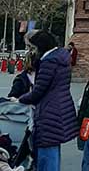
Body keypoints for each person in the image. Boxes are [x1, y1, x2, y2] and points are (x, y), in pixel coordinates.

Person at [12, 29, 78, 171]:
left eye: (32, 47)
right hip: (60, 108)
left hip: (49, 112)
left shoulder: (49, 61)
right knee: (53, 151)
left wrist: (19, 100)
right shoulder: (61, 56)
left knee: (46, 155)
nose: (31, 51)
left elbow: (38, 91)